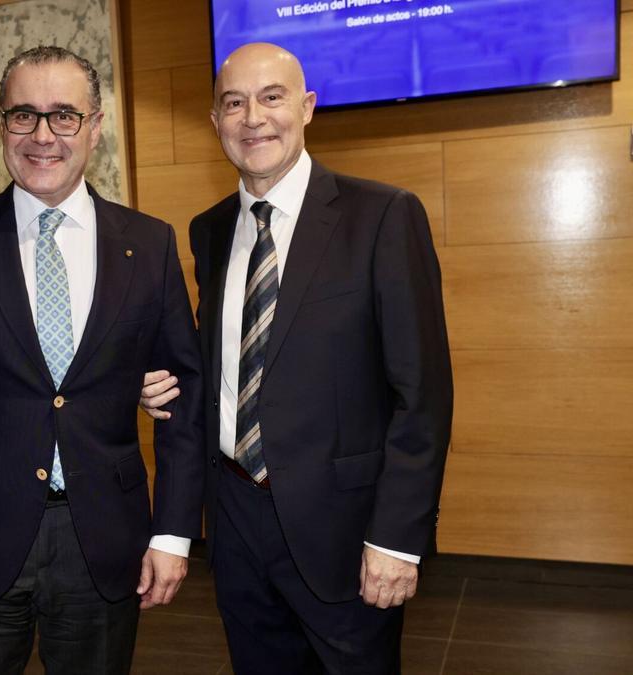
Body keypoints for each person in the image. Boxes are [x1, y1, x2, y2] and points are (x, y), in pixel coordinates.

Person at [0, 46, 205, 674]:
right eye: (23, 115)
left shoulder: (149, 243)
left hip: (105, 539)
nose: (42, 136)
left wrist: (171, 534)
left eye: (63, 115)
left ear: (95, 126)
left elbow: (182, 401)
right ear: (0, 125)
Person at [141, 43, 453, 673]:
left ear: (307, 107)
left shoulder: (383, 216)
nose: (252, 117)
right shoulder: (210, 229)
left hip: (345, 531)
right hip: (234, 521)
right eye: (234, 102)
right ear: (216, 121)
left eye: (271, 96)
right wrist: (163, 387)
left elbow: (422, 396)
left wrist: (396, 538)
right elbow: (222, 359)